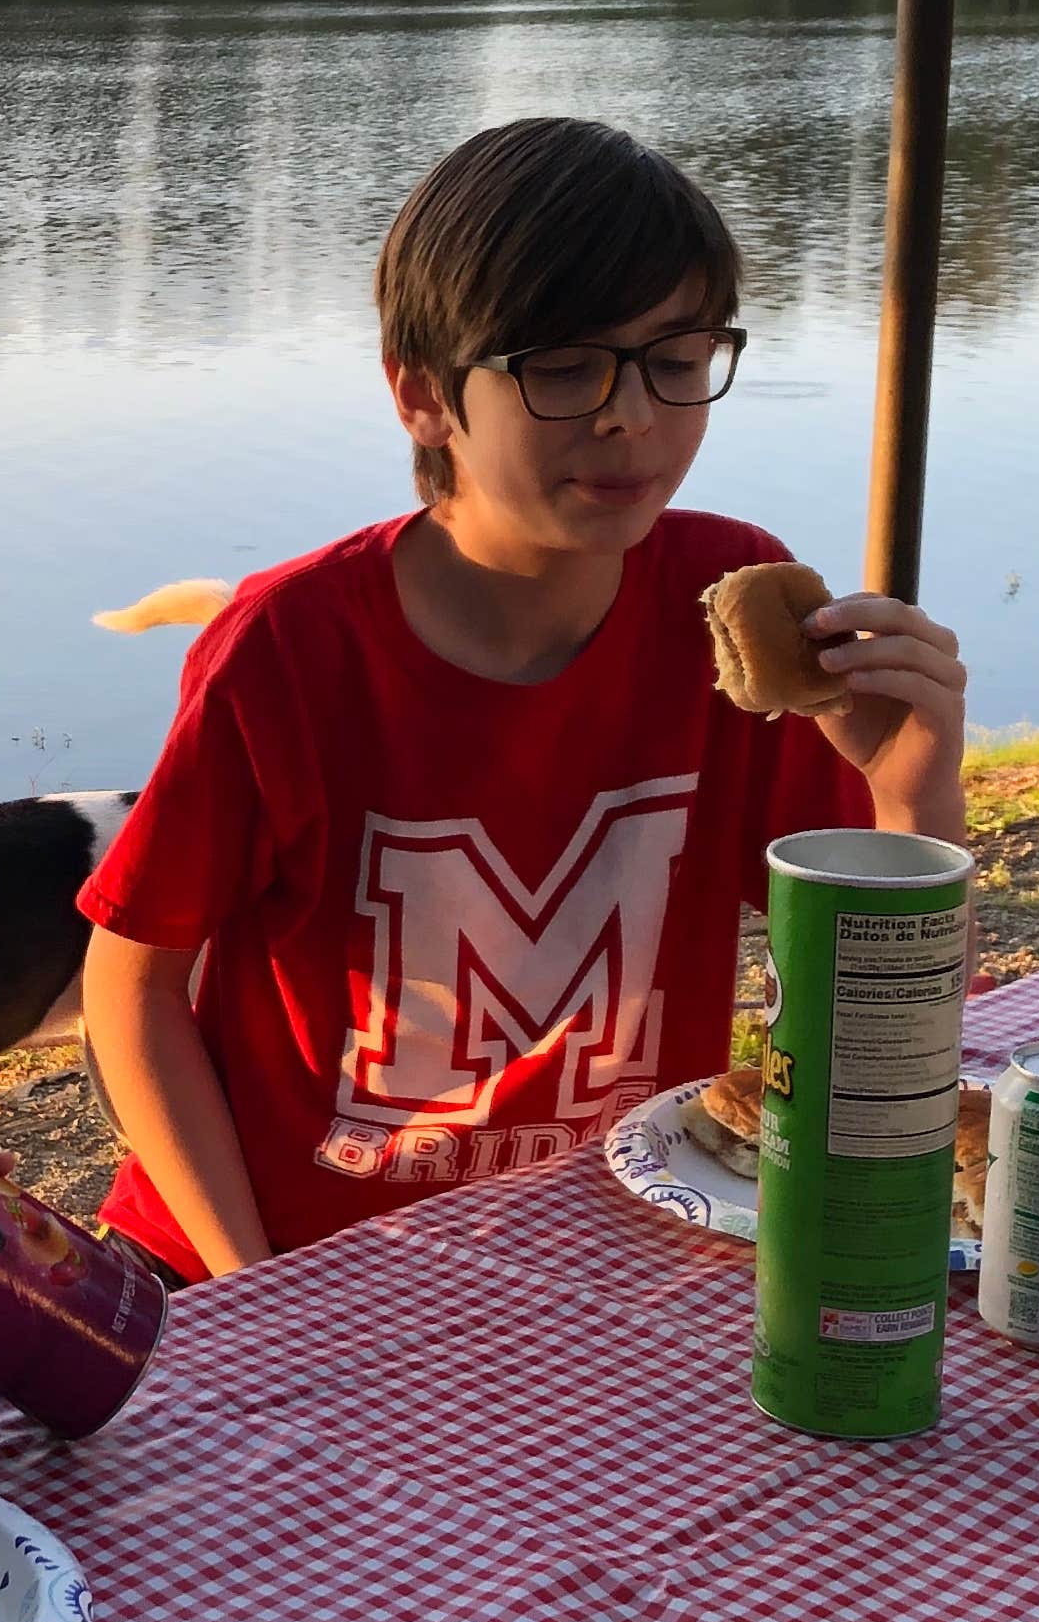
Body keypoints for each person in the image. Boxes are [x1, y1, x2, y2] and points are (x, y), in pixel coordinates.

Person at [77, 115, 972, 1282]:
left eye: (677, 359)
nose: (630, 417)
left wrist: (912, 802)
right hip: (286, 1254)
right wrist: (252, 1290)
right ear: (422, 395)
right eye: (562, 366)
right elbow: (132, 984)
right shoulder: (290, 651)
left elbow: (881, 1031)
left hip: (611, 1239)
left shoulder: (724, 609)